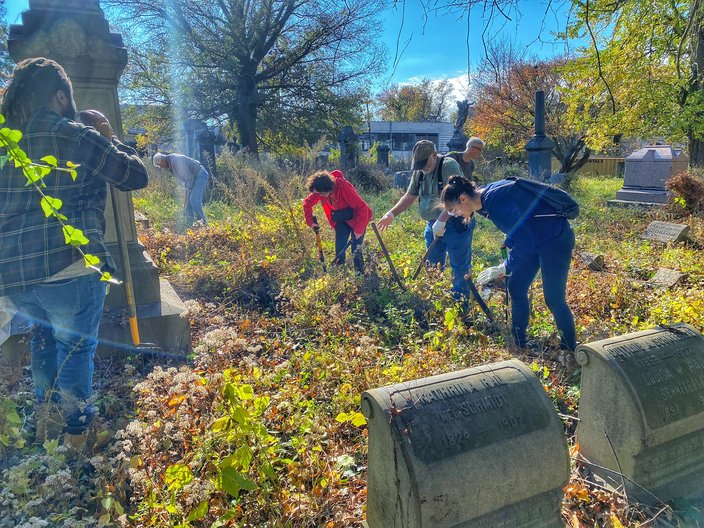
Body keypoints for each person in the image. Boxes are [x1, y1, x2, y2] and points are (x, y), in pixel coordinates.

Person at [0, 57, 149, 449]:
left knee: (44, 340)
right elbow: (134, 175)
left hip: (15, 274)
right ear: (60, 96)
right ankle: (78, 432)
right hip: (70, 265)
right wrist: (109, 135)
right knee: (75, 349)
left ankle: (47, 420)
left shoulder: (7, 149)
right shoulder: (73, 135)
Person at [439, 175, 577, 351]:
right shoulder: (482, 202)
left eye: (453, 210)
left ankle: (570, 352)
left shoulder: (494, 201)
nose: (454, 215)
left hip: (554, 239)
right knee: (516, 287)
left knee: (554, 299)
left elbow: (526, 239)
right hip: (535, 237)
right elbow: (523, 218)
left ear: (463, 198)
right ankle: (518, 343)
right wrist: (509, 241)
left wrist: (506, 266)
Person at [377, 140, 475, 308]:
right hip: (432, 226)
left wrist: (442, 220)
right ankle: (437, 304)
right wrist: (391, 214)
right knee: (433, 267)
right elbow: (410, 196)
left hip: (456, 225)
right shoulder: (420, 171)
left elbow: (457, 195)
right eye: (420, 164)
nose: (424, 167)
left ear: (434, 155)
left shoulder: (448, 165)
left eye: (426, 163)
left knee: (459, 268)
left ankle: (461, 308)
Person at [303, 170, 372, 272]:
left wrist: (359, 229)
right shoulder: (320, 189)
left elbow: (362, 208)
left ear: (328, 189)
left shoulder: (343, 187)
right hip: (341, 218)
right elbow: (307, 203)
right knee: (340, 247)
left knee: (356, 249)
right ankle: (340, 272)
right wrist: (310, 221)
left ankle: (359, 274)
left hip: (358, 218)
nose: (320, 196)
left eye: (321, 194)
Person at [153, 151, 209, 225]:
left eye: (159, 165)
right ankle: (189, 223)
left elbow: (189, 177)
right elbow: (186, 178)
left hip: (200, 175)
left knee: (194, 200)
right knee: (188, 203)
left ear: (162, 161)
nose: (161, 167)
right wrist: (187, 190)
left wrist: (188, 190)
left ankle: (203, 222)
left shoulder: (175, 161)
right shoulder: (169, 164)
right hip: (192, 178)